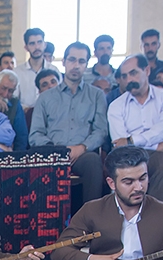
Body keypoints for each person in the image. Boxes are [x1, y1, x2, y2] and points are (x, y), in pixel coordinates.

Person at [29, 42, 109, 208]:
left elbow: (101, 131)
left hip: (82, 155)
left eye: (81, 61)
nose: (76, 65)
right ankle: (45, 223)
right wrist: (57, 151)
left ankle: (90, 220)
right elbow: (35, 135)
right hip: (52, 154)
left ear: (87, 65)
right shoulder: (45, 98)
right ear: (64, 62)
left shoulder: (96, 95)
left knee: (94, 162)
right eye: (72, 60)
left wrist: (81, 148)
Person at [108, 55, 163, 202]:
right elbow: (121, 146)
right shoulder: (116, 106)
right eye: (124, 76)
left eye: (133, 73)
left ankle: (151, 220)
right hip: (128, 156)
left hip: (158, 156)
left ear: (146, 70)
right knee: (126, 164)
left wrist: (132, 140)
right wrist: (157, 145)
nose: (129, 80)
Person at [0, 69, 28, 153]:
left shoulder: (14, 103)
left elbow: (21, 136)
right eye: (3, 88)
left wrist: (16, 158)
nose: (5, 94)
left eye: (10, 91)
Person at [17, 28, 47, 108]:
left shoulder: (54, 71)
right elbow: (14, 100)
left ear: (45, 45)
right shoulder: (17, 72)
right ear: (26, 48)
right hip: (25, 117)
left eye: (39, 42)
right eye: (32, 43)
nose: (37, 47)